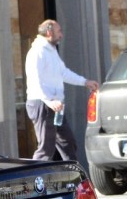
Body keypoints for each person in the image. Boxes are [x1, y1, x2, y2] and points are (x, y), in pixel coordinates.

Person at [24, 19, 98, 162]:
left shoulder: (51, 52)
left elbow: (63, 73)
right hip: (43, 105)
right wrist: (48, 101)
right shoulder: (37, 52)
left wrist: (85, 82)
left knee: (68, 144)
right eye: (59, 32)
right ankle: (34, 179)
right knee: (46, 149)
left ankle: (73, 179)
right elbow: (34, 79)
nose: (61, 35)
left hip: (55, 106)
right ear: (49, 32)